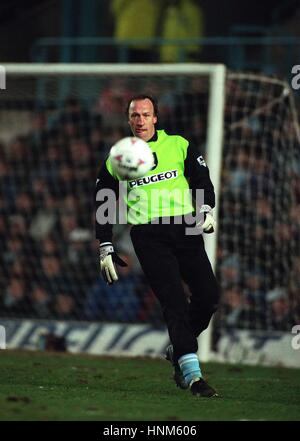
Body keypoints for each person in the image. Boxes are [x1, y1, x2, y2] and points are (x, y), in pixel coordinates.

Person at [95, 95, 220, 397]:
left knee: (209, 297)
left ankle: (177, 348)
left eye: (145, 114)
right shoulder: (120, 155)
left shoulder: (179, 145)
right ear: (129, 120)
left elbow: (201, 179)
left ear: (155, 118)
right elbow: (104, 197)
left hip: (186, 226)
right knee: (174, 301)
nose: (139, 120)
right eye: (134, 115)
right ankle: (192, 375)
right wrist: (105, 242)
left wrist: (205, 209)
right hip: (148, 234)